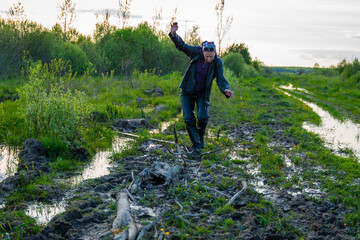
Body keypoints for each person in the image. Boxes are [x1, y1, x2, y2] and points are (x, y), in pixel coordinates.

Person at [169, 22, 234, 157]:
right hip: (187, 91)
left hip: (202, 94)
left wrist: (226, 89)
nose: (209, 59)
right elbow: (182, 46)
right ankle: (196, 146)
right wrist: (174, 34)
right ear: (203, 52)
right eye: (207, 56)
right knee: (188, 118)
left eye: (212, 56)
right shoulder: (196, 52)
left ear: (215, 53)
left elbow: (220, 79)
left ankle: (200, 137)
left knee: (203, 117)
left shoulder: (217, 62)